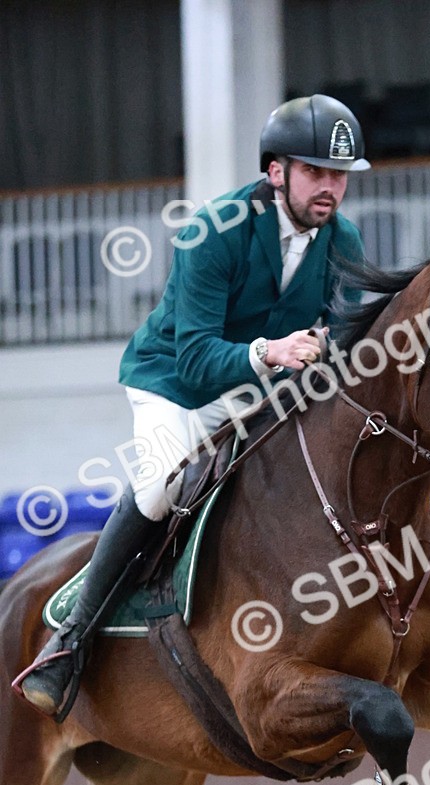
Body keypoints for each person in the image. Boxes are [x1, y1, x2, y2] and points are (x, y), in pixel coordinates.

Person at [18, 94, 369, 718]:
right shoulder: (213, 231)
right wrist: (272, 351)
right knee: (161, 486)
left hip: (260, 383)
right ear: (276, 171)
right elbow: (196, 359)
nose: (330, 189)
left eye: (339, 176)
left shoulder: (342, 237)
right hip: (174, 382)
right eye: (316, 172)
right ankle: (67, 641)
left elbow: (344, 330)